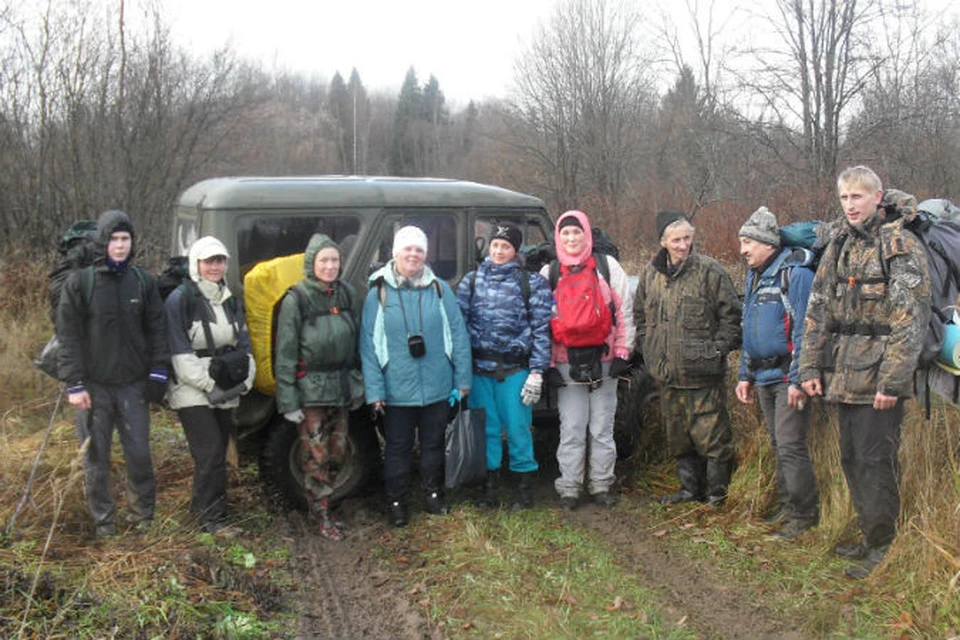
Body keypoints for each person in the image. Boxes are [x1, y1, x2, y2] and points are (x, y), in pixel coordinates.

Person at [799, 166, 931, 579]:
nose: (851, 205)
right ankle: (868, 536)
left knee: (877, 461)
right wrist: (809, 366)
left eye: (858, 197)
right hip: (843, 372)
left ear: (878, 197)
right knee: (852, 458)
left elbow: (910, 319)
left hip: (880, 379)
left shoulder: (899, 244)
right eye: (844, 198)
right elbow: (817, 310)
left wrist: (893, 381)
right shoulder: (839, 245)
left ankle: (883, 546)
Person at [56, 209, 168, 539]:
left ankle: (141, 518)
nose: (120, 245)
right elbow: (68, 336)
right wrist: (74, 383)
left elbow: (158, 330)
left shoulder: (142, 281)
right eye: (114, 239)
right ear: (103, 241)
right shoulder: (82, 282)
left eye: (125, 239)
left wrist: (158, 373)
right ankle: (104, 523)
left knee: (139, 454)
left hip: (132, 386)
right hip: (93, 388)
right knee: (95, 458)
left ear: (132, 242)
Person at [360, 226, 472, 527]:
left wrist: (462, 382)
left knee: (433, 444)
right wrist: (375, 391)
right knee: (397, 448)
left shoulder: (440, 289)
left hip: (437, 385)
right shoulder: (379, 293)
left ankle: (432, 494)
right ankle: (396, 501)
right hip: (396, 389)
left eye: (419, 250)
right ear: (395, 253)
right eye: (407, 249)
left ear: (425, 255)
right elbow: (369, 346)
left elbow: (458, 335)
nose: (413, 255)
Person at [634, 210, 741, 507]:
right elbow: (640, 316)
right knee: (678, 438)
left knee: (714, 440)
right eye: (676, 239)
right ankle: (688, 491)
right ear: (663, 242)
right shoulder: (650, 275)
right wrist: (651, 348)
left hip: (703, 376)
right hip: (667, 376)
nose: (683, 245)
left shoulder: (710, 272)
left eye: (687, 238)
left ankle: (718, 495)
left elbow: (732, 318)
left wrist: (716, 350)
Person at [540, 210, 634, 510]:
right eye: (565, 233)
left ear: (586, 235)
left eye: (576, 232)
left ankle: (601, 484)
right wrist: (548, 365)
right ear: (558, 237)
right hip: (566, 362)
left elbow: (624, 313)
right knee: (571, 426)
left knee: (602, 427)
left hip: (605, 360)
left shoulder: (607, 268)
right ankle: (569, 487)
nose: (571, 238)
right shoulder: (550, 273)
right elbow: (541, 323)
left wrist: (623, 353)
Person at [735, 207, 819, 539]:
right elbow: (748, 330)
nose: (743, 250)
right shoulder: (755, 275)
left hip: (787, 378)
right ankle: (787, 509)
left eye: (747, 242)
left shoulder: (796, 275)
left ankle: (803, 516)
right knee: (777, 443)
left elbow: (805, 331)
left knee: (790, 445)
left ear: (767, 243)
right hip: (763, 378)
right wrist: (745, 374)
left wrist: (799, 379)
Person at [275, 234, 365, 540]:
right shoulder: (296, 299)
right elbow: (285, 352)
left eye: (335, 260)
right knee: (317, 457)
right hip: (310, 389)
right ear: (312, 264)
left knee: (338, 453)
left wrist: (358, 384)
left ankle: (325, 501)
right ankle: (322, 513)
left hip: (340, 386)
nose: (330, 266)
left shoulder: (347, 294)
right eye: (324, 260)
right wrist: (288, 400)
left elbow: (356, 343)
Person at [455, 222, 552, 510]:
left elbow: (542, 329)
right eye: (495, 245)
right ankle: (490, 487)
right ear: (489, 247)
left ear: (515, 250)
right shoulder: (471, 281)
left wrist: (537, 371)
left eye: (506, 246)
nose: (499, 250)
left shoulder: (531, 283)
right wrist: (460, 372)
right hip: (479, 370)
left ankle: (524, 489)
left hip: (515, 371)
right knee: (487, 430)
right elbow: (458, 328)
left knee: (519, 429)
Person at [165, 236, 256, 535]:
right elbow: (179, 353)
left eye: (220, 261)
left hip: (225, 385)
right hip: (192, 387)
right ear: (196, 264)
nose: (215, 267)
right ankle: (214, 520)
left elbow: (244, 343)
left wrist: (246, 378)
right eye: (209, 261)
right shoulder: (181, 300)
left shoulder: (229, 300)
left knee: (214, 455)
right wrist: (208, 385)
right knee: (211, 452)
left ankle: (200, 511)